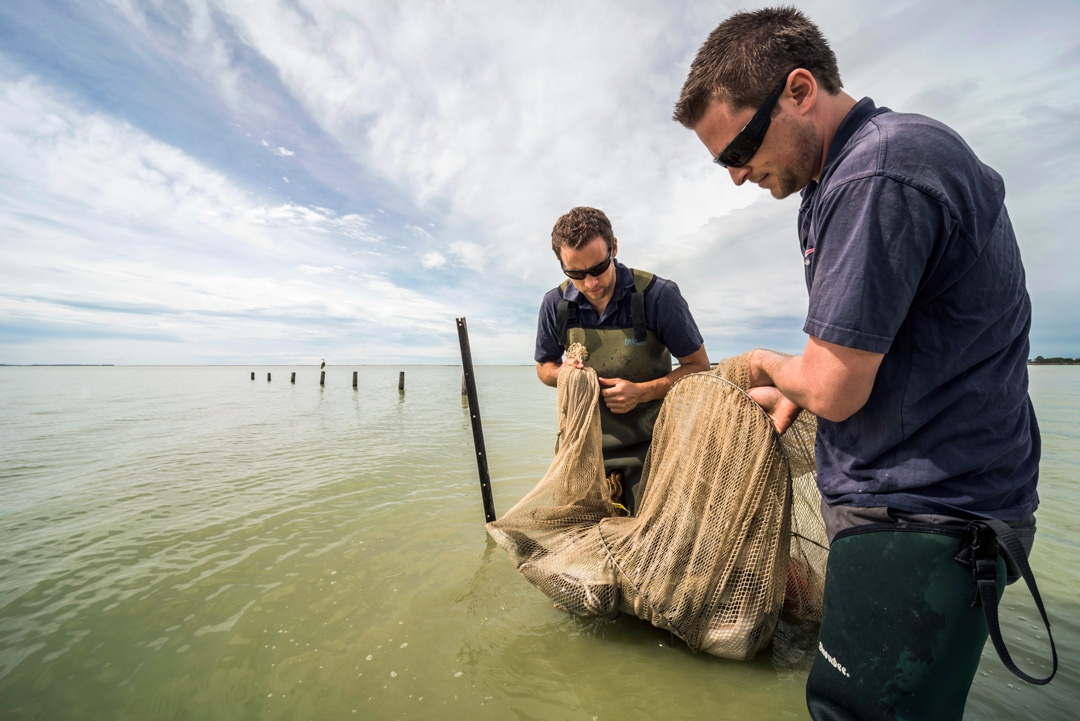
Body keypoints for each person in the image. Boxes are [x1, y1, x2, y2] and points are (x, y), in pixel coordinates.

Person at [675, 7, 1041, 720]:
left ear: (800, 90)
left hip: (925, 519)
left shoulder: (876, 172)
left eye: (738, 149)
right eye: (722, 162)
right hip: (930, 510)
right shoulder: (857, 173)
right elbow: (887, 350)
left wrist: (767, 365)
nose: (736, 176)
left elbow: (837, 385)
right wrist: (800, 392)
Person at [535, 206, 710, 514]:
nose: (590, 284)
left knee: (655, 541)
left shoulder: (659, 296)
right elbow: (544, 367)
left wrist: (642, 392)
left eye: (599, 268)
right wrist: (564, 375)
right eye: (575, 274)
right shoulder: (555, 304)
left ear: (614, 247)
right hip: (582, 452)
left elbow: (699, 367)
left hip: (654, 448)